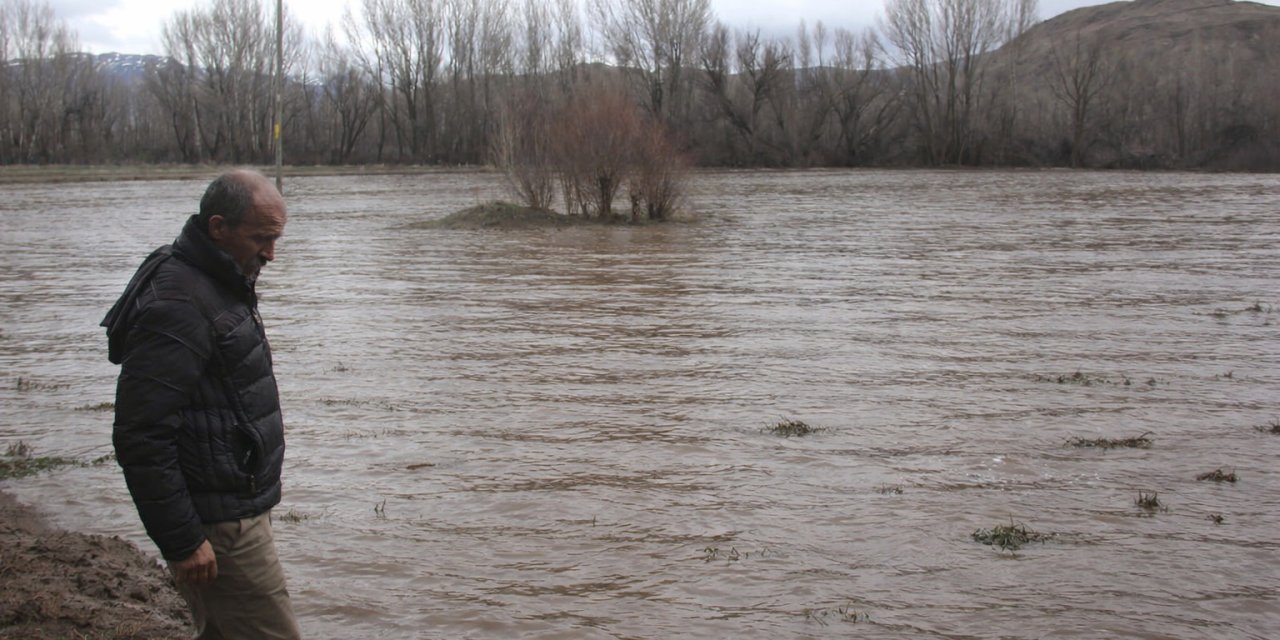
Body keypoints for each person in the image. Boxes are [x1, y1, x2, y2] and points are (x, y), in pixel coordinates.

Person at [101, 169, 301, 639]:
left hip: (232, 505)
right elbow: (141, 433)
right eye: (261, 238)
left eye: (276, 239)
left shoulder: (215, 278)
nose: (271, 253)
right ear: (218, 228)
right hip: (219, 523)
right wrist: (184, 540)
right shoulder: (180, 301)